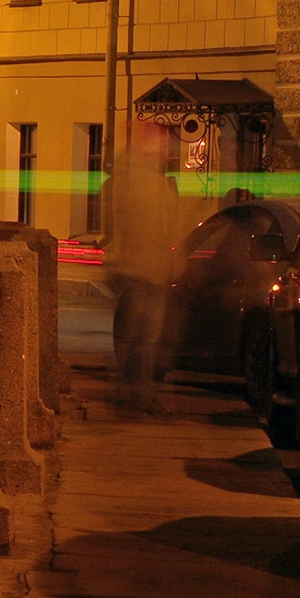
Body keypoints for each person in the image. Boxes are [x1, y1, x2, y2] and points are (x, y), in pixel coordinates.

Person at [105, 124, 183, 409]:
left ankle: (139, 393)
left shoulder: (155, 180)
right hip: (139, 270)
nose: (166, 152)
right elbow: (127, 224)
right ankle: (135, 394)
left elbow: (168, 229)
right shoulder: (133, 178)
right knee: (139, 338)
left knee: (146, 338)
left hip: (155, 271)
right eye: (161, 145)